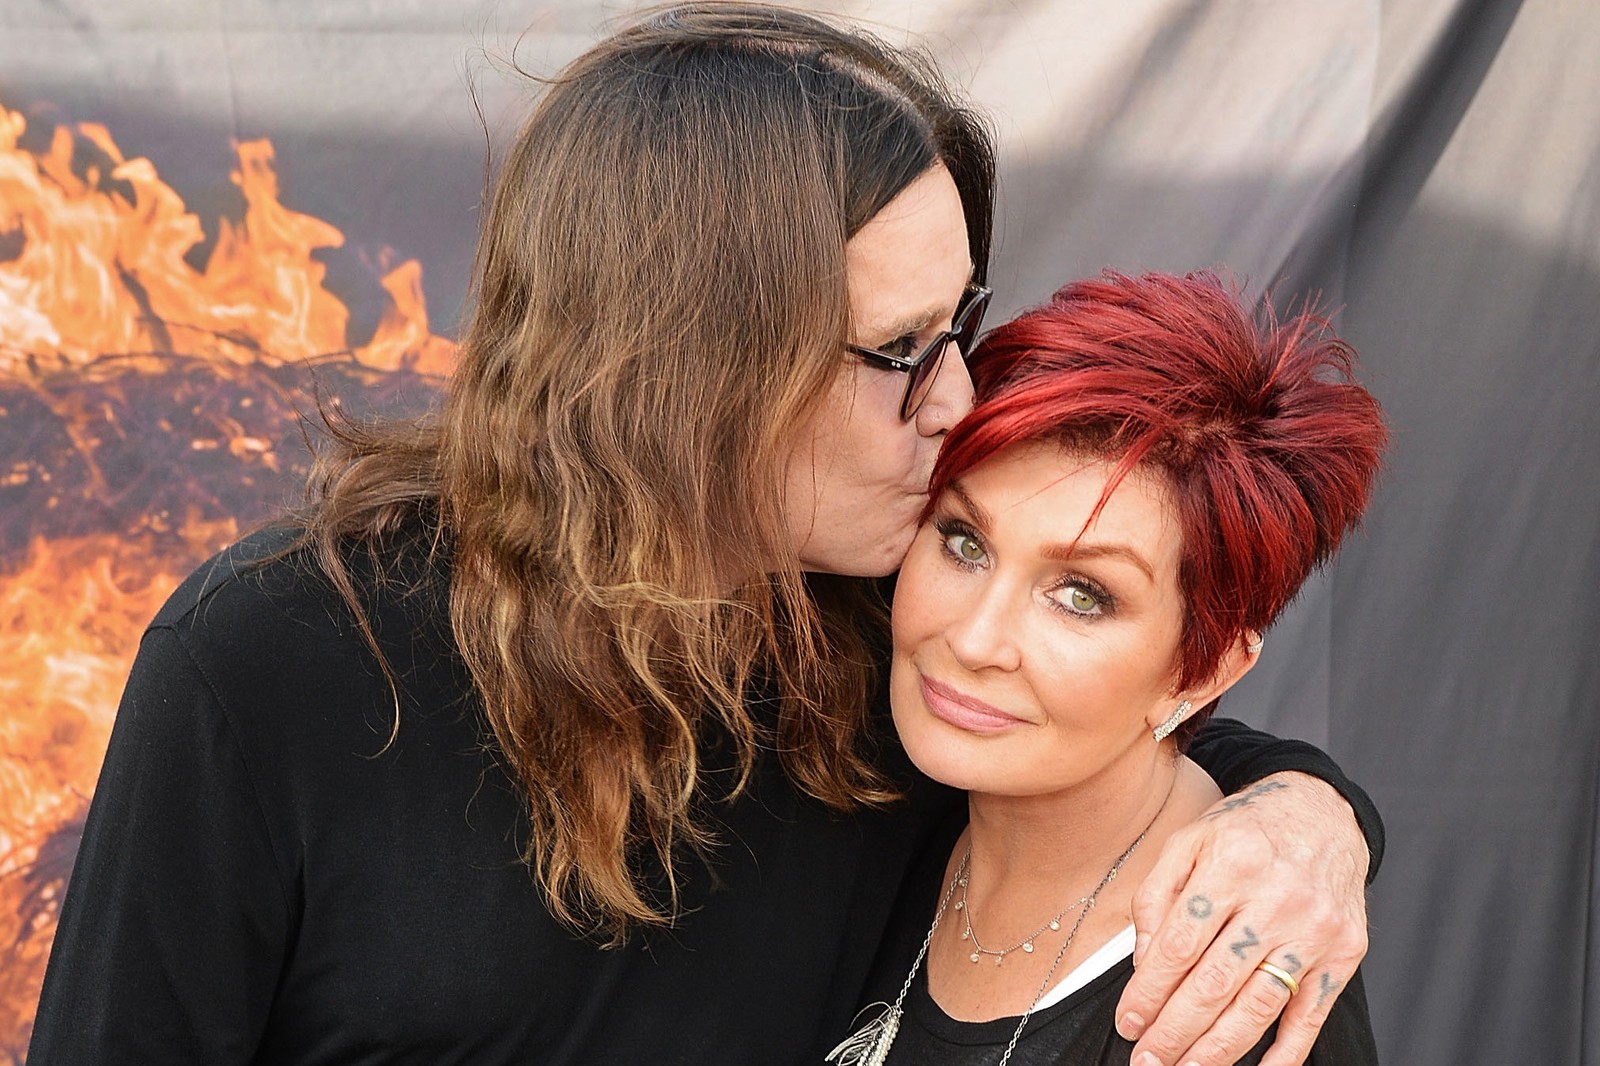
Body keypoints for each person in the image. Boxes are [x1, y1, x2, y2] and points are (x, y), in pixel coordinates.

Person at [28, 8, 1377, 1065]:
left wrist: (1311, 814)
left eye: (957, 327)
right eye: (900, 350)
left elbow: (1131, 711)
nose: (958, 399)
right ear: (692, 372)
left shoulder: (881, 640)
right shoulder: (275, 660)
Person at [833, 270, 1386, 1065]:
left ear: (1204, 669)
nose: (975, 639)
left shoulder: (1225, 998)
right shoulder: (884, 795)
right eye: (964, 542)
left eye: (1082, 596)